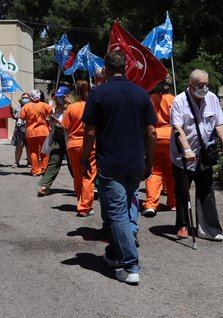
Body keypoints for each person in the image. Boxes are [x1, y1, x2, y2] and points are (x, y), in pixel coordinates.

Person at [81, 51, 156, 285]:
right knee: (124, 208)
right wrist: (149, 160)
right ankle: (114, 254)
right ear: (127, 67)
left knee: (117, 214)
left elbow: (90, 131)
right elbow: (151, 132)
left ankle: (131, 265)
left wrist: (85, 158)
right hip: (135, 163)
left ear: (105, 67)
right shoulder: (142, 94)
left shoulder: (98, 94)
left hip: (110, 163)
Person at [170, 69, 223, 241]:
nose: (204, 88)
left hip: (205, 153)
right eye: (200, 85)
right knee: (183, 190)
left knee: (206, 190)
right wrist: (187, 149)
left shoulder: (212, 98)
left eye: (206, 85)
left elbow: (218, 123)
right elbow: (178, 128)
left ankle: (209, 228)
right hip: (183, 155)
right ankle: (183, 224)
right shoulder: (180, 101)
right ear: (191, 85)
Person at [142, 77, 176, 217]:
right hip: (171, 137)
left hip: (154, 136)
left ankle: (151, 204)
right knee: (171, 171)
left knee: (153, 171)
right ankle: (173, 202)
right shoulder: (174, 99)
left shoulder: (148, 99)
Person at [61, 80, 97, 217]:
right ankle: (85, 206)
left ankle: (80, 201)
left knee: (77, 175)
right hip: (90, 144)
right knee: (88, 175)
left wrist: (67, 145)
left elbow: (65, 128)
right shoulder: (92, 106)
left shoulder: (71, 108)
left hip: (73, 145)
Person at [37, 86, 70, 196]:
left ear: (66, 97)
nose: (59, 99)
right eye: (57, 97)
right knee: (53, 160)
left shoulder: (71, 108)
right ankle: (45, 186)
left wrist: (61, 124)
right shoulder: (56, 109)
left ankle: (86, 187)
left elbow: (73, 124)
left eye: (61, 97)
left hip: (69, 138)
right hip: (57, 136)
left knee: (73, 165)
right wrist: (52, 121)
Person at [19, 89, 52, 176]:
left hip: (31, 131)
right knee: (45, 151)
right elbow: (50, 113)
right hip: (43, 130)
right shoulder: (45, 105)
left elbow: (22, 117)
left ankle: (35, 170)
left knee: (33, 151)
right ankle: (44, 169)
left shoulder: (26, 106)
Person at [11, 93, 30, 168]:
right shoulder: (17, 107)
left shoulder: (31, 106)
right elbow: (14, 117)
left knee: (29, 147)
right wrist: (11, 112)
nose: (25, 99)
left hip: (28, 129)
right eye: (23, 97)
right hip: (19, 129)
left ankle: (29, 162)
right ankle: (16, 162)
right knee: (19, 146)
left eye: (26, 97)